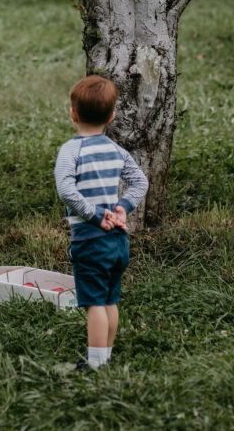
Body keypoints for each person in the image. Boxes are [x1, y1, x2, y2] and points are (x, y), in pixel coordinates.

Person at [54, 75, 148, 369]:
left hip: (91, 240)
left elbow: (66, 190)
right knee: (110, 299)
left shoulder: (72, 150)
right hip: (118, 240)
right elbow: (139, 182)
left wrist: (96, 215)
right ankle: (105, 356)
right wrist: (122, 208)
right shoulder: (116, 150)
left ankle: (95, 363)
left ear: (73, 113)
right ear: (111, 116)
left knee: (93, 302)